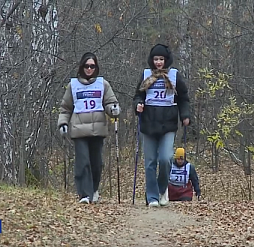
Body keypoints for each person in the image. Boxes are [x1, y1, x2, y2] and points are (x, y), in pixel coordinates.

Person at [133, 44, 191, 207]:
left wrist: (185, 115)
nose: (158, 62)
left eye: (161, 59)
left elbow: (183, 98)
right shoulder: (146, 74)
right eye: (156, 59)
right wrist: (138, 105)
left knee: (165, 159)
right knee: (150, 162)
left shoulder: (174, 75)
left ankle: (162, 188)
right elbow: (138, 95)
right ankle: (152, 197)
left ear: (166, 60)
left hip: (168, 123)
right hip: (149, 123)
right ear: (152, 60)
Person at [58, 52, 120, 204]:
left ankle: (93, 189)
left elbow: (110, 102)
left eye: (92, 66)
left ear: (96, 67)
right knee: (83, 161)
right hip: (79, 129)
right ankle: (84, 194)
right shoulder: (73, 85)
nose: (89, 69)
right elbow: (65, 108)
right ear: (81, 67)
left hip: (98, 130)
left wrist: (113, 109)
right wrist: (63, 123)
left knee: (96, 163)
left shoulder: (102, 84)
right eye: (86, 66)